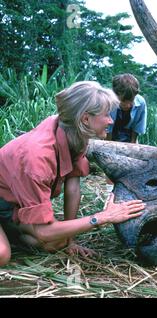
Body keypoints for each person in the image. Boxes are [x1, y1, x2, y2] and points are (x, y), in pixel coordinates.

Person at [0, 81, 146, 267]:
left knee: (59, 242)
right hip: (4, 202)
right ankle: (13, 233)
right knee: (2, 255)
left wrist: (70, 241)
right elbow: (45, 231)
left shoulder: (74, 132)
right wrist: (102, 217)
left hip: (12, 207)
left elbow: (73, 187)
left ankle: (11, 228)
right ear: (85, 119)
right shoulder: (37, 158)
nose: (111, 120)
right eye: (106, 115)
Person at [106, 74, 147, 144]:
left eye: (131, 101)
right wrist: (108, 145)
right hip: (107, 136)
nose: (128, 105)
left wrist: (132, 145)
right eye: (123, 101)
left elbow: (138, 127)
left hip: (128, 135)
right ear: (115, 94)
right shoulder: (107, 101)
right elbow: (107, 129)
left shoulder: (141, 102)